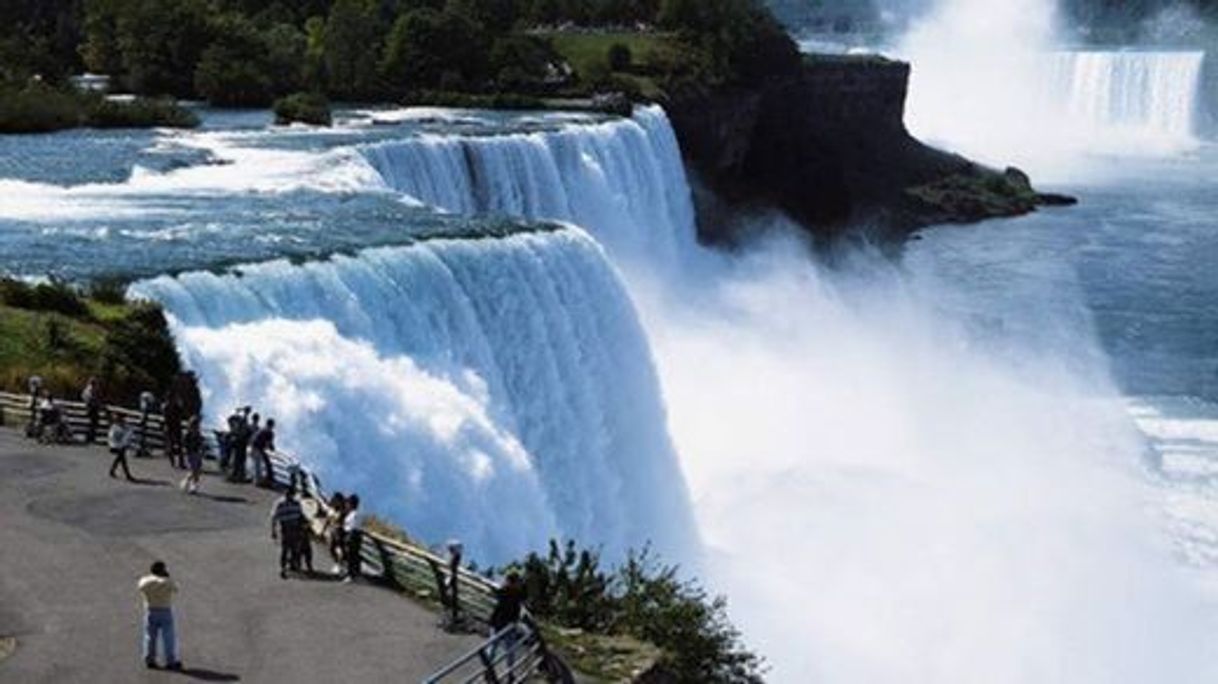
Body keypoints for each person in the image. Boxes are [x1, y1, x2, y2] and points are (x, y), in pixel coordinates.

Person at [137, 561, 181, 671]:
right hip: (165, 611)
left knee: (150, 636)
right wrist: (167, 577)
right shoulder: (167, 582)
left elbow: (140, 586)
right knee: (168, 637)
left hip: (151, 610)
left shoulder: (145, 581)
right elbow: (176, 589)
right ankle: (170, 661)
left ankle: (150, 659)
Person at [487, 572, 528, 674]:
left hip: (503, 624)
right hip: (503, 624)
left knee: (500, 649)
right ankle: (506, 671)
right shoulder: (511, 593)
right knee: (502, 649)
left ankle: (494, 670)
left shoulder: (506, 592)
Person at [270, 488, 306, 579]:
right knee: (285, 550)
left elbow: (300, 516)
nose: (288, 496)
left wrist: (302, 528)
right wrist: (273, 531)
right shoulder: (279, 504)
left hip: (295, 528)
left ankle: (293, 565)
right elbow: (274, 518)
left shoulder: (296, 504)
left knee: (295, 549)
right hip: (284, 529)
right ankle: (283, 568)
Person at [322, 493, 347, 574]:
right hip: (332, 531)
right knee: (332, 549)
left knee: (339, 549)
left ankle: (339, 565)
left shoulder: (343, 511)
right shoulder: (332, 509)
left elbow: (341, 522)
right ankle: (338, 564)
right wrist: (324, 529)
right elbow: (327, 520)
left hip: (339, 532)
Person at [179, 417, 204, 495]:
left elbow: (200, 444)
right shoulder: (187, 434)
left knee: (196, 470)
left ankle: (186, 482)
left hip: (197, 453)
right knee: (194, 470)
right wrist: (185, 450)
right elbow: (184, 444)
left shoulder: (198, 434)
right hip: (191, 453)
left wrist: (201, 450)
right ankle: (193, 486)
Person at [227, 407, 252, 483]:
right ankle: (236, 476)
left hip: (239, 443)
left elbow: (230, 419)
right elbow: (231, 419)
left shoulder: (237, 424)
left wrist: (240, 412)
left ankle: (235, 476)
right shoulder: (240, 423)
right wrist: (241, 412)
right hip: (240, 443)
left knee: (237, 460)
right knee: (239, 460)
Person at [108, 414, 135, 481]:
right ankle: (127, 475)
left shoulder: (125, 427)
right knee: (122, 459)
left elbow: (128, 435)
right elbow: (112, 438)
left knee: (120, 459)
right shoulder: (114, 428)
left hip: (121, 446)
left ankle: (112, 471)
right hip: (116, 446)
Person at [250, 418, 275, 488]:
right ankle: (258, 482)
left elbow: (253, 438)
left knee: (256, 465)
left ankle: (257, 480)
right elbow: (269, 444)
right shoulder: (269, 432)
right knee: (258, 465)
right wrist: (272, 449)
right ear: (272, 425)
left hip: (254, 447)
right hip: (258, 449)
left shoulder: (261, 429)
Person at [342, 494, 362, 582]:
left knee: (351, 556)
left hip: (352, 536)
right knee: (353, 555)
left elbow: (352, 527)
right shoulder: (353, 514)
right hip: (354, 535)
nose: (346, 505)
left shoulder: (354, 515)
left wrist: (348, 537)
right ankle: (353, 573)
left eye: (348, 503)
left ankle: (351, 574)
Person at [162, 394, 184, 469]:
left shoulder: (175, 406)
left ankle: (181, 462)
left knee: (179, 445)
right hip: (170, 427)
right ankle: (173, 462)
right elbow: (165, 418)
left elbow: (181, 415)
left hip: (176, 426)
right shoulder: (166, 407)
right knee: (171, 446)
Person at [81, 377, 102, 444]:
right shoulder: (90, 390)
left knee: (92, 424)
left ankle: (90, 437)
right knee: (92, 424)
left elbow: (83, 396)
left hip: (92, 408)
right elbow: (90, 399)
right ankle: (90, 437)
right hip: (92, 408)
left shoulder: (88, 389)